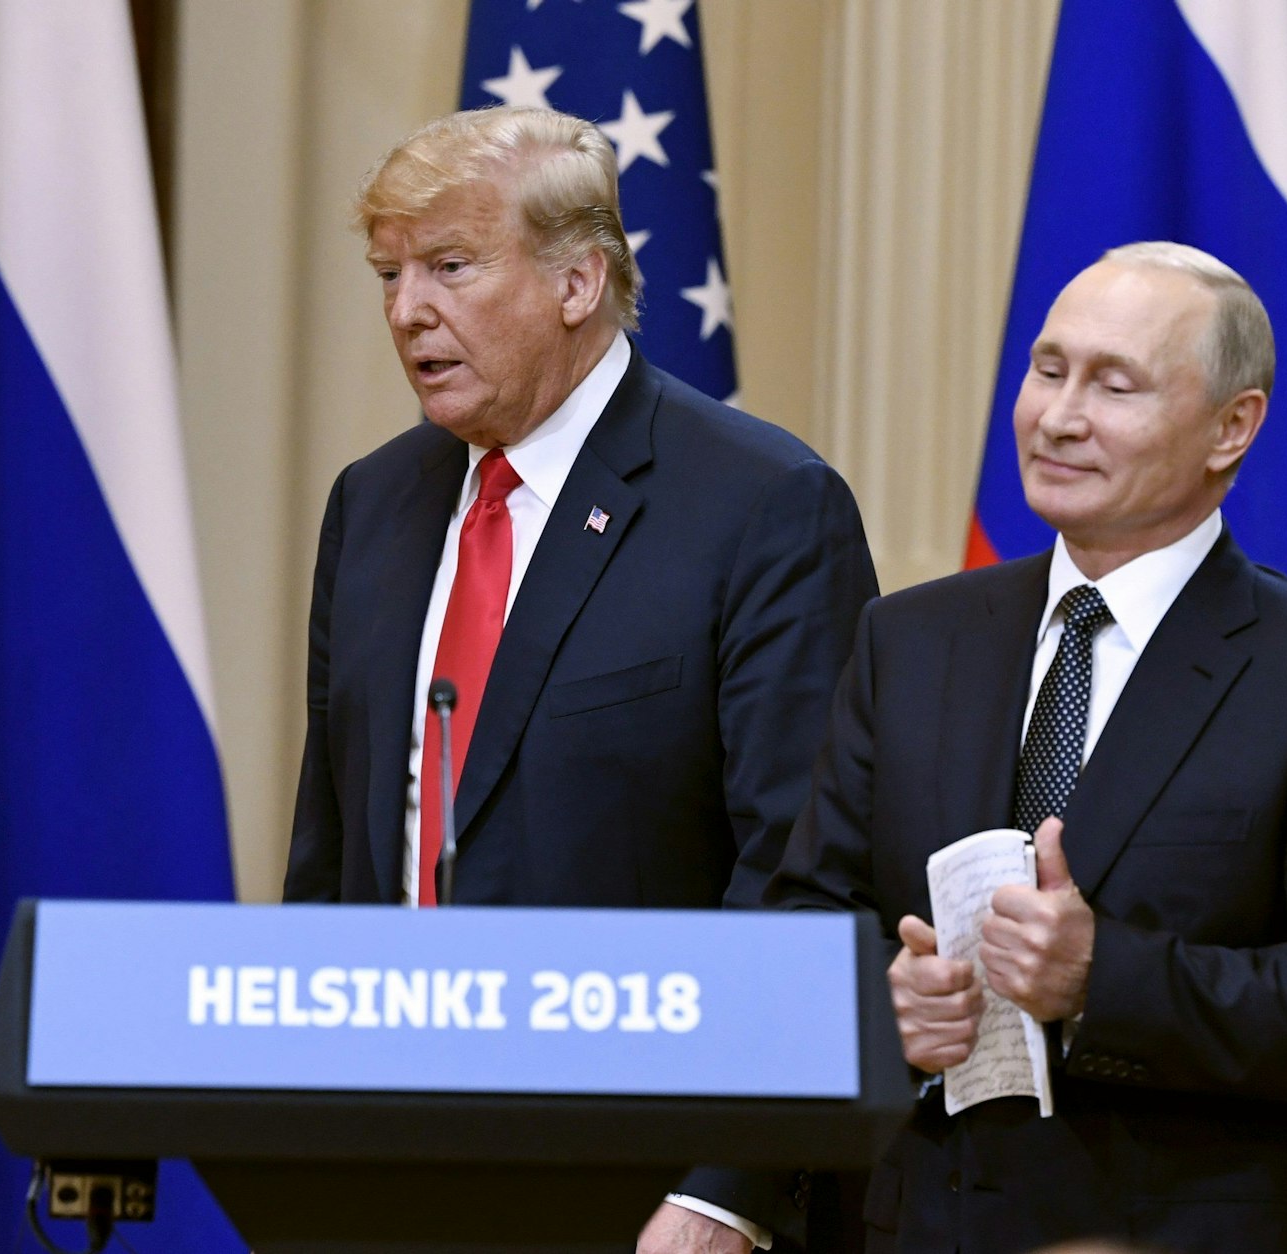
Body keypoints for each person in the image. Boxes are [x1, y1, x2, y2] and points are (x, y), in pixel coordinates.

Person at [756, 242, 1287, 1253]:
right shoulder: (906, 640)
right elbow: (806, 921)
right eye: (1047, 370)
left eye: (1113, 385)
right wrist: (881, 1005)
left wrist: (1103, 980)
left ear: (1230, 427)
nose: (1059, 416)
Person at [281, 106, 878, 1252]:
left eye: (450, 267)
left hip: (643, 1186)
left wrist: (727, 1188)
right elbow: (336, 853)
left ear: (576, 282)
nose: (410, 310)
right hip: (388, 1172)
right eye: (390, 274)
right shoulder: (375, 503)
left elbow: (806, 878)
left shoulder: (757, 507)